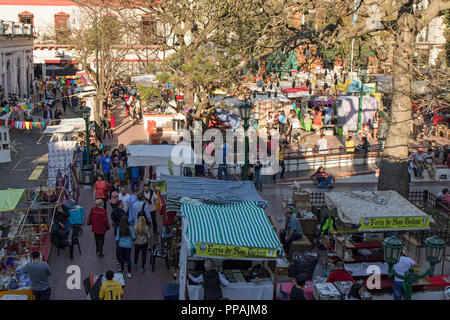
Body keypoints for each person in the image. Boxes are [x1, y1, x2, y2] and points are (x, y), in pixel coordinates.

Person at [111, 200, 127, 266]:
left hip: (116, 228)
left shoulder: (114, 211)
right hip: (122, 229)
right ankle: (124, 259)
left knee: (117, 245)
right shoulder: (122, 213)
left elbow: (112, 219)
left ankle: (118, 259)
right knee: (123, 245)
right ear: (119, 205)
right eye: (122, 204)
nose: (123, 205)